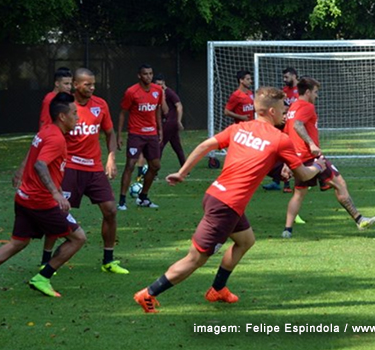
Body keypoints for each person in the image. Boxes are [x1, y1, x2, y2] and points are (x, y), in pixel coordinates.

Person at [133, 87, 325, 313]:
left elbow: (208, 146)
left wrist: (183, 172)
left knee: (246, 241)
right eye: (284, 108)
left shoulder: (240, 128)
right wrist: (318, 166)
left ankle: (218, 289)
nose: (286, 113)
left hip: (217, 195)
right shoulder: (280, 139)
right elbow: (303, 174)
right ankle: (148, 293)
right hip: (226, 206)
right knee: (195, 259)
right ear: (272, 111)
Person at [0, 92, 86, 298]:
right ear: (62, 117)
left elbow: (33, 156)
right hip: (42, 202)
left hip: (24, 198)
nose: (78, 117)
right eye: (74, 113)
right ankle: (43, 277)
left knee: (18, 242)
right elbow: (40, 164)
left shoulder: (45, 131)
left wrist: (21, 171)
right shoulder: (56, 138)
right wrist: (56, 194)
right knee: (78, 238)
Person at [38, 68, 128, 274]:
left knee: (111, 210)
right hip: (69, 167)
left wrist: (111, 157)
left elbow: (109, 132)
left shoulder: (101, 105)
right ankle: (46, 259)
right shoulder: (65, 106)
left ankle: (108, 260)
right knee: (60, 212)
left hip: (94, 168)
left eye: (94, 84)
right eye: (87, 84)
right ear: (76, 85)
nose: (92, 88)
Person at [281, 77, 375, 239]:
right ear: (307, 92)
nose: (317, 96)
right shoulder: (306, 106)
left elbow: (287, 133)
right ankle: (359, 220)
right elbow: (298, 126)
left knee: (299, 194)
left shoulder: (292, 108)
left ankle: (287, 230)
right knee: (340, 183)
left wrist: (287, 160)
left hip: (298, 158)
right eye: (315, 92)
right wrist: (311, 144)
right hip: (312, 157)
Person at [117, 64, 164, 210]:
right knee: (130, 165)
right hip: (136, 134)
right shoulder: (131, 92)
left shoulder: (157, 90)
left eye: (150, 73)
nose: (148, 76)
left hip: (151, 134)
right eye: (145, 74)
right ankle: (122, 201)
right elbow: (123, 113)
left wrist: (160, 129)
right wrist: (119, 135)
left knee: (155, 166)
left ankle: (143, 197)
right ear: (139, 75)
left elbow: (157, 110)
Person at [262, 67, 299, 194]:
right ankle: (281, 182)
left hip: (296, 126)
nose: (284, 80)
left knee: (301, 152)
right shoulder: (284, 91)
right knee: (281, 153)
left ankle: (315, 178)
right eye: (283, 77)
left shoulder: (301, 90)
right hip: (284, 126)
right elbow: (282, 106)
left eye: (287, 77)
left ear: (294, 76)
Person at [153, 73, 187, 168]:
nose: (159, 86)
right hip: (170, 123)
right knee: (177, 146)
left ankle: (154, 170)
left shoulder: (169, 93)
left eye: (160, 84)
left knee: (160, 145)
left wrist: (178, 120)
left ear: (164, 82)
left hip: (169, 123)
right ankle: (185, 169)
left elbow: (179, 106)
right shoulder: (158, 93)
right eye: (157, 84)